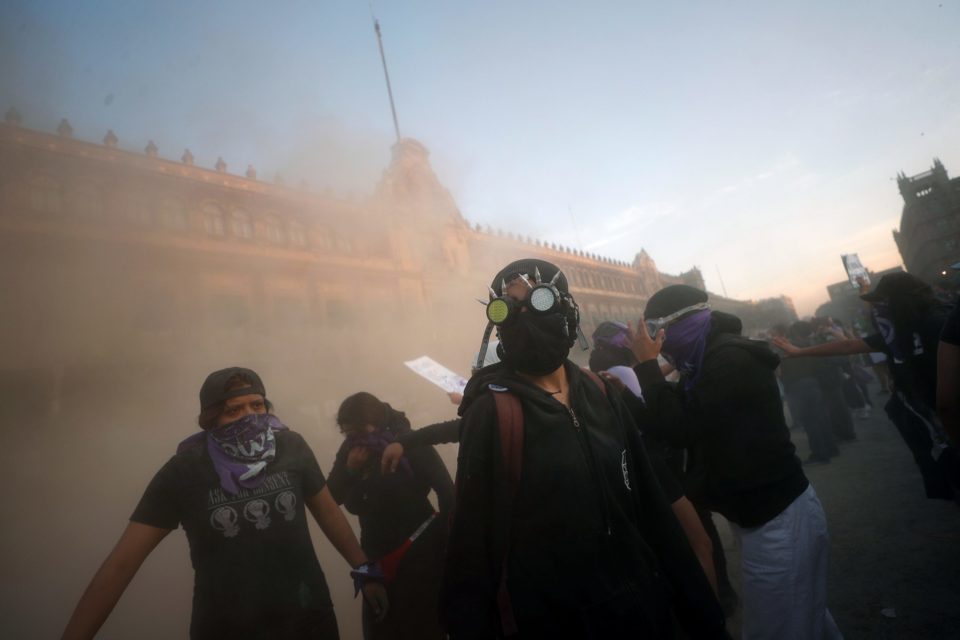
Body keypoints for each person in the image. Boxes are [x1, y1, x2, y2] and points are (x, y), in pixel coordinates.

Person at [442, 259, 728, 639]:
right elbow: (471, 553)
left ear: (564, 307)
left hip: (645, 614)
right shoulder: (490, 414)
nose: (525, 317)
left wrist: (704, 619)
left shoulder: (602, 393)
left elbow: (655, 516)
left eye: (539, 300)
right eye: (510, 309)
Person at [62, 367, 388, 640]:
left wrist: (364, 569)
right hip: (227, 629)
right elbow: (121, 565)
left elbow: (328, 512)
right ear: (211, 419)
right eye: (234, 410)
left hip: (308, 621)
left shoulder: (291, 446)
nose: (249, 416)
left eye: (257, 406)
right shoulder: (186, 470)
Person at [631, 285, 841, 639]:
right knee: (807, 620)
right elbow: (673, 417)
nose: (658, 341)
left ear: (681, 325)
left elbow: (681, 426)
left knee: (775, 629)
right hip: (761, 517)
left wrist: (647, 366)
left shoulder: (729, 361)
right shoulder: (705, 360)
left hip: (777, 519)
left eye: (657, 330)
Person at [773, 272, 959, 502]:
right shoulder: (900, 329)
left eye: (884, 301)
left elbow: (947, 400)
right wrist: (800, 352)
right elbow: (849, 345)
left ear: (900, 299)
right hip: (927, 417)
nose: (881, 307)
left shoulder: (940, 322)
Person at [328, 392, 453, 640]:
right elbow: (330, 499)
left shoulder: (407, 442)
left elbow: (447, 491)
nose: (354, 438)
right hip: (375, 556)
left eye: (359, 431)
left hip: (421, 550)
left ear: (377, 421)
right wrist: (351, 470)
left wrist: (449, 543)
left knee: (423, 627)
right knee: (381, 628)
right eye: (347, 433)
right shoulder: (351, 449)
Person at [777, 321, 840, 464]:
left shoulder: (786, 348)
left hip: (798, 386)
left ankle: (820, 454)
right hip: (813, 383)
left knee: (810, 422)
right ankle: (832, 448)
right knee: (822, 418)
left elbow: (779, 370)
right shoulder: (809, 343)